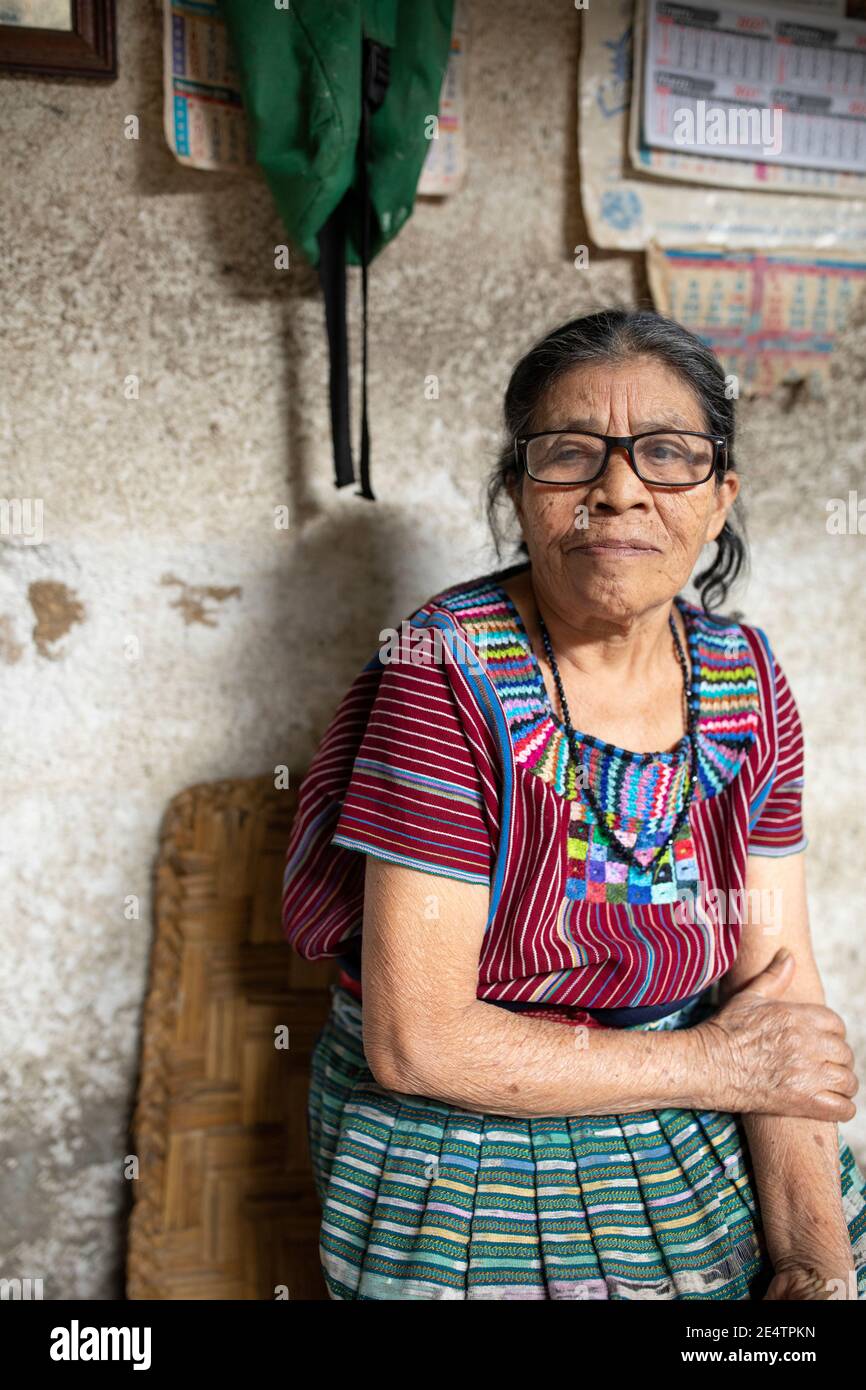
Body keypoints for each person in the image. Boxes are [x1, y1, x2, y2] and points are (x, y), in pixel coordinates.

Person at [282, 309, 866, 1301]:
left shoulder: (745, 676)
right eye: (567, 455)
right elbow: (418, 1041)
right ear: (518, 493)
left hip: (694, 1110)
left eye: (667, 455)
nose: (618, 489)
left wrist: (813, 1259)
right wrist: (717, 1067)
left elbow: (773, 988)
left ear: (719, 498)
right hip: (465, 1145)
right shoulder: (446, 669)